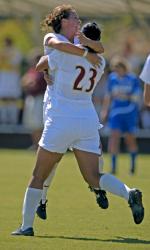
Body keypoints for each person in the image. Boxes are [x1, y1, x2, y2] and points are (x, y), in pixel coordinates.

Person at [11, 22, 144, 237]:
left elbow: (40, 64)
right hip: (87, 120)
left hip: (62, 119)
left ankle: (26, 226)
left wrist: (53, 62)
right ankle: (129, 194)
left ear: (82, 37)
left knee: (38, 175)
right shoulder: (99, 62)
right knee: (94, 176)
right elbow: (94, 52)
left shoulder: (64, 55)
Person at [35, 4, 106, 220]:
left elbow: (42, 63)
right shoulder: (57, 39)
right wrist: (87, 52)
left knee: (59, 157)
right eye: (74, 17)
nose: (78, 21)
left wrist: (86, 49)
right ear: (63, 21)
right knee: (62, 157)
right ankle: (44, 197)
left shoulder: (72, 45)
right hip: (69, 106)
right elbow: (42, 63)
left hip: (66, 105)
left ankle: (44, 198)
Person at [101, 56, 142, 175]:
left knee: (130, 140)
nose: (116, 71)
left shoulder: (133, 79)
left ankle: (133, 167)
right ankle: (113, 167)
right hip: (116, 113)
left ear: (124, 68)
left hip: (129, 113)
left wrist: (125, 96)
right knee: (114, 137)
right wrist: (105, 110)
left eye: (118, 68)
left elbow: (136, 96)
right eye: (114, 69)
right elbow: (108, 96)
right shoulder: (112, 78)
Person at [22, 51, 47, 149]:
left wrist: (28, 83)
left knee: (39, 125)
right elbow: (24, 82)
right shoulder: (32, 70)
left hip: (40, 98)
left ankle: (40, 146)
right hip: (31, 98)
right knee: (32, 124)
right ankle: (35, 144)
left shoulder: (43, 71)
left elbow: (34, 84)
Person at [0, 37, 22, 124]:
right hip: (4, 77)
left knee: (13, 99)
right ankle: (3, 119)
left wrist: (7, 56)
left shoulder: (16, 52)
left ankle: (13, 119)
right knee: (3, 98)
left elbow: (15, 62)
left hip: (12, 77)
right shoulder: (2, 52)